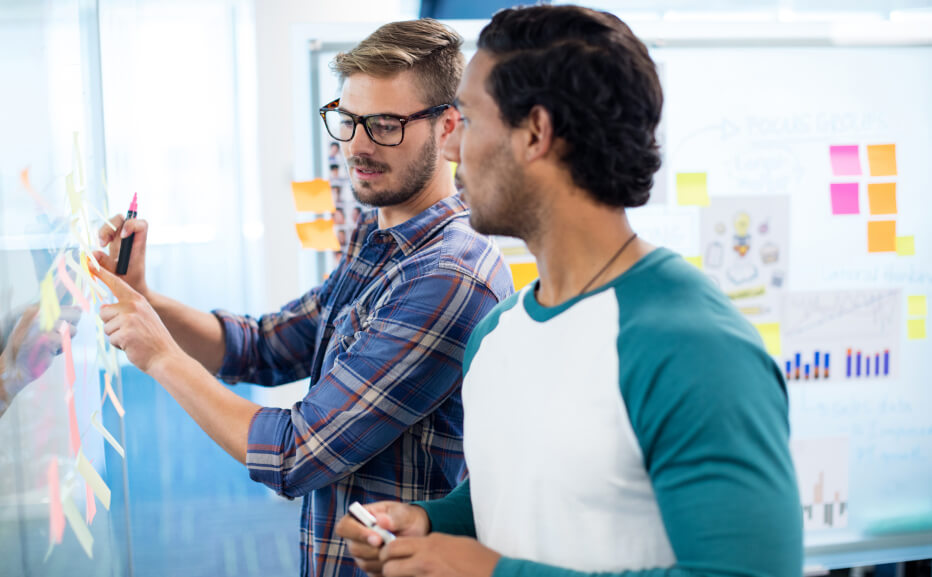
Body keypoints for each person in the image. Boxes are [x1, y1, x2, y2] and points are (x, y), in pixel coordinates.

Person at [337, 6, 803, 577]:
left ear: (535, 133)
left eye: (471, 121)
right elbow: (529, 496)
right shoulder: (497, 335)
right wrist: (436, 524)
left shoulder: (694, 348)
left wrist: (489, 573)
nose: (453, 149)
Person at [93, 18, 512, 577]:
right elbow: (266, 345)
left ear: (448, 127)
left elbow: (296, 454)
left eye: (385, 124)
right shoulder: (380, 238)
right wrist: (148, 300)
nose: (357, 146)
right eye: (348, 120)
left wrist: (163, 357)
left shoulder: (448, 274)